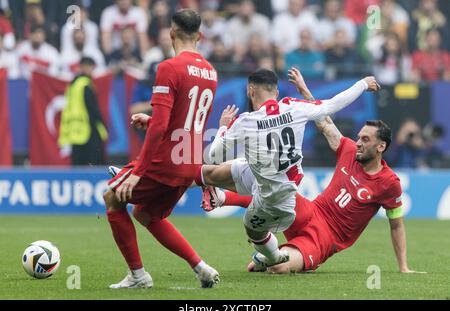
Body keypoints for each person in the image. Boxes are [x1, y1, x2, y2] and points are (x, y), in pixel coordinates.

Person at [201, 69, 424, 274]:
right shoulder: (348, 150)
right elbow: (324, 121)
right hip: (310, 211)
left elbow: (396, 224)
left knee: (276, 270)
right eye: (358, 137)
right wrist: (305, 91)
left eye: (365, 139)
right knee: (269, 188)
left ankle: (269, 256)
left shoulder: (389, 182)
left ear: (381, 146)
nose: (358, 142)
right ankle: (221, 198)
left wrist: (403, 267)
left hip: (325, 238)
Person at [103, 9, 220, 289]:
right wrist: (154, 118)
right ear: (200, 36)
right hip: (190, 160)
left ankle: (138, 276)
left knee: (112, 197)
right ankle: (202, 268)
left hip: (164, 161)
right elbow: (187, 119)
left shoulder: (169, 67)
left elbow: (161, 128)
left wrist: (137, 171)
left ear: (171, 33)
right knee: (146, 214)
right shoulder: (211, 72)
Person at [58, 57, 108, 166]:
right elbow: (93, 108)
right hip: (87, 128)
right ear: (84, 67)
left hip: (75, 130)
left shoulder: (72, 84)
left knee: (78, 165)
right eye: (90, 67)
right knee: (94, 164)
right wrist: (102, 124)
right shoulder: (85, 84)